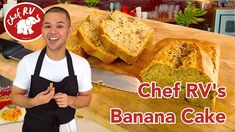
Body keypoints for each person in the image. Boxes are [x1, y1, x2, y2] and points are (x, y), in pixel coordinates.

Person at [11, 6, 92, 132]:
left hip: (66, 127)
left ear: (69, 31)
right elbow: (15, 96)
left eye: (59, 26)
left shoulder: (81, 64)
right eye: (48, 26)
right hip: (33, 127)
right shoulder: (27, 62)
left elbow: (86, 98)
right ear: (42, 30)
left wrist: (71, 100)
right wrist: (33, 101)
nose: (53, 31)